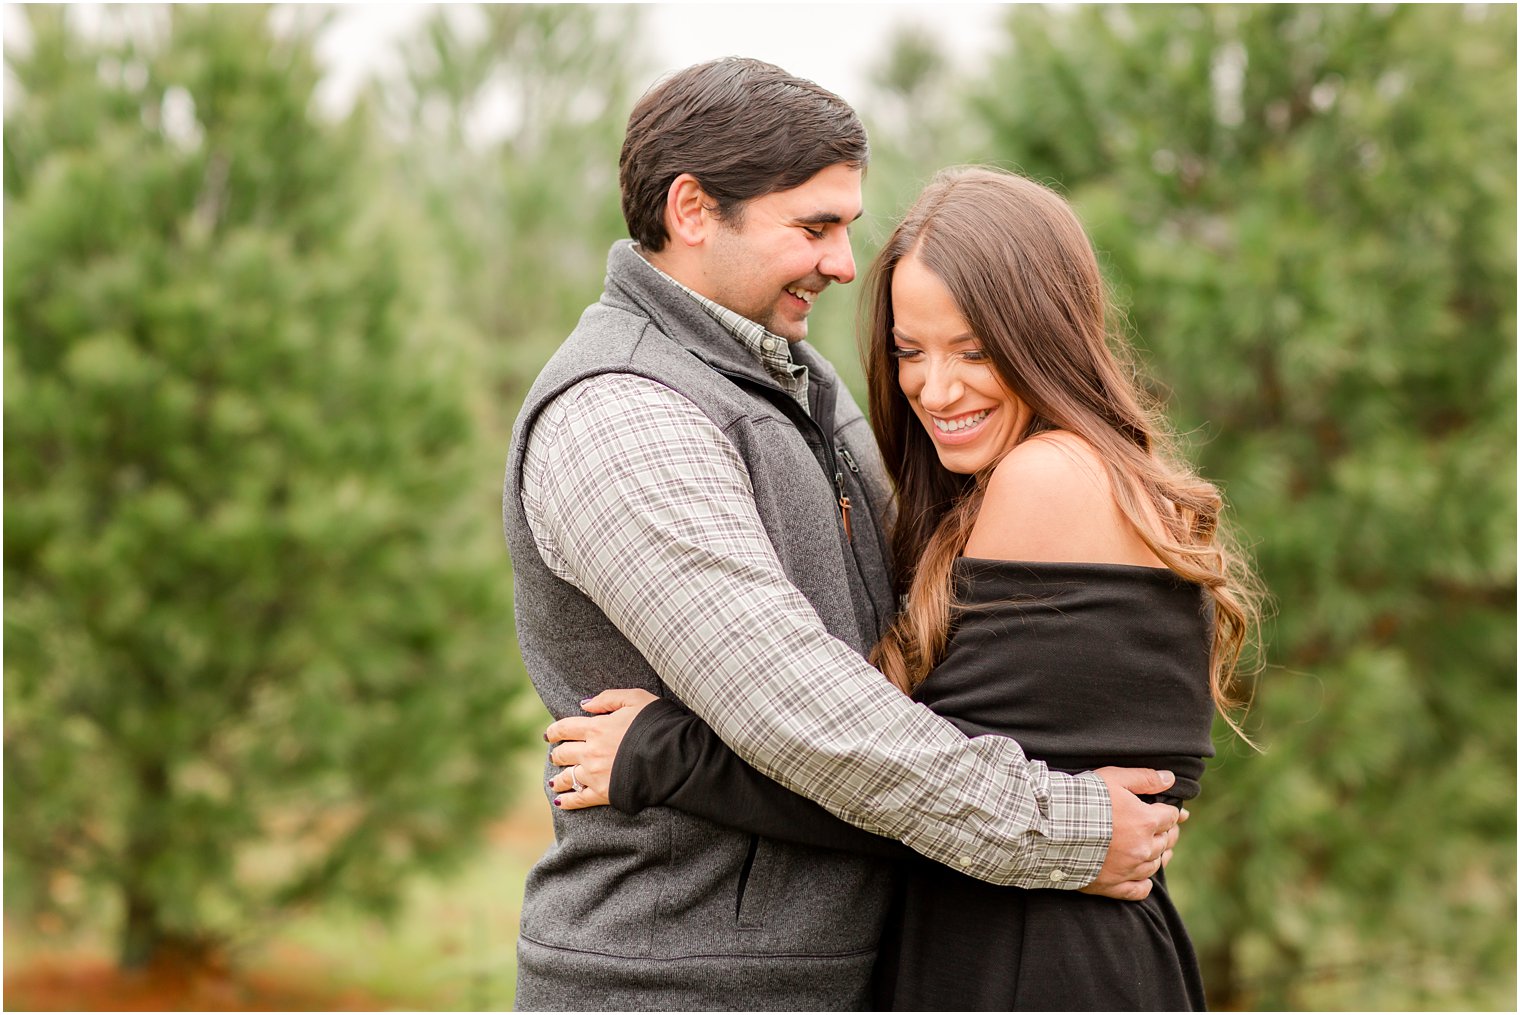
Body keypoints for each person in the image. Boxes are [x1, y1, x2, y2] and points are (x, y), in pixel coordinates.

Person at [503, 59, 1184, 1012]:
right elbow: (807, 716)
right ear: (694, 209)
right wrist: (1064, 827)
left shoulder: (803, 390)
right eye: (814, 226)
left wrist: (665, 748)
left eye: (848, 228)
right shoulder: (624, 416)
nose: (844, 262)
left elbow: (918, 678)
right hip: (681, 983)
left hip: (863, 969)